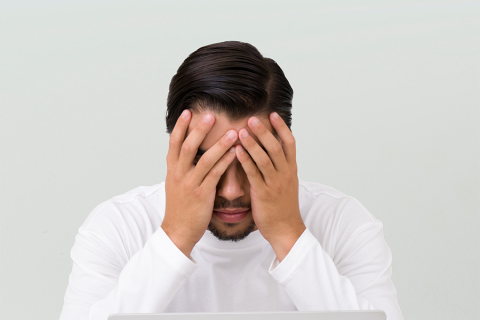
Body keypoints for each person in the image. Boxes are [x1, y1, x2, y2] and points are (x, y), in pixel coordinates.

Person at [60, 41, 403, 320]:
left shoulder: (343, 223)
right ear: (175, 151)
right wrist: (175, 237)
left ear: (284, 149)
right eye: (209, 163)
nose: (232, 191)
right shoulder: (117, 227)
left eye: (254, 161)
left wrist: (288, 234)